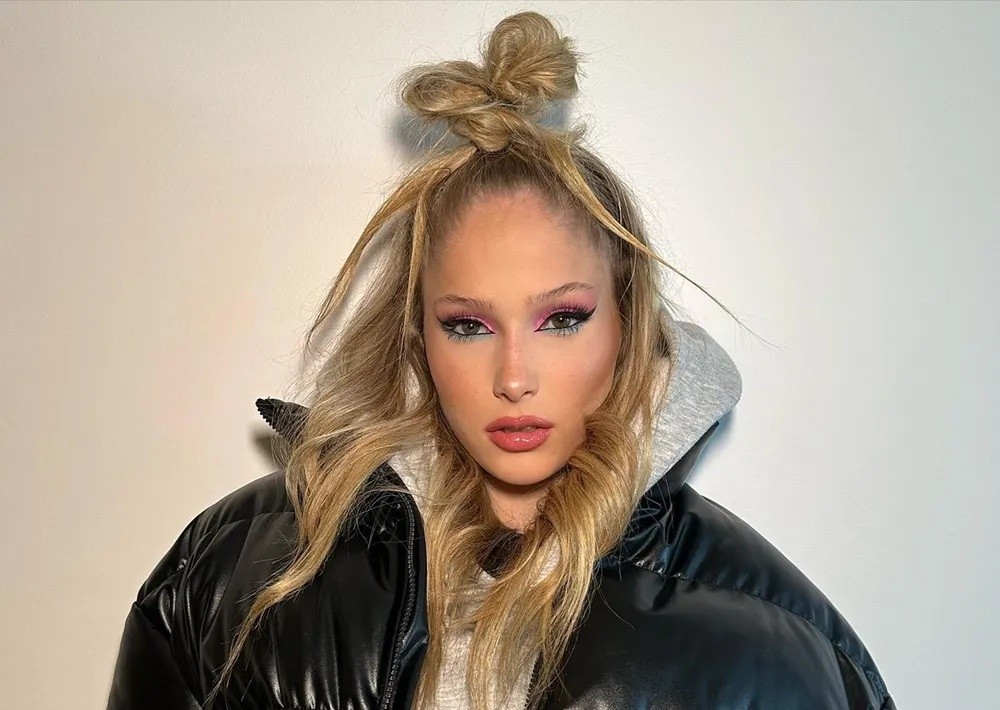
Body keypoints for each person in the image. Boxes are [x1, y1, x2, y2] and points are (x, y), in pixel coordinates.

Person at [106, 11, 894, 710]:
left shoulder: (780, 653)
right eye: (469, 326)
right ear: (417, 338)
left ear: (626, 327)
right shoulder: (232, 575)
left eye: (562, 319)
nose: (514, 378)